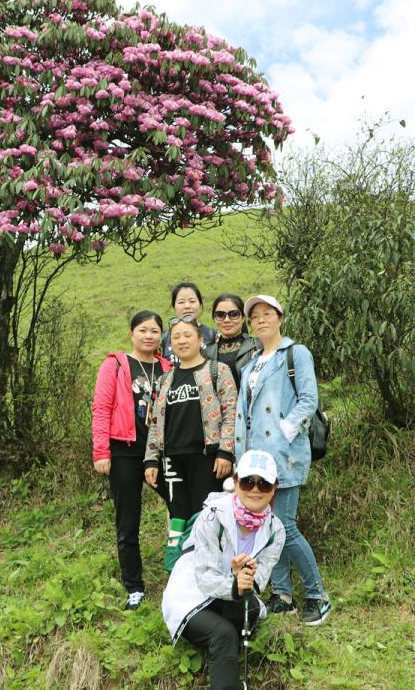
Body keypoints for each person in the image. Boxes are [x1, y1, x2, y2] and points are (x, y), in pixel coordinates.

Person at [234, 294, 332, 626]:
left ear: (280, 317)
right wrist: (240, 461)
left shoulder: (295, 353)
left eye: (267, 314)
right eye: (255, 317)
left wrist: (284, 432)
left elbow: (308, 399)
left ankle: (317, 595)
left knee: (285, 526)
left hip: (284, 457)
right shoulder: (250, 364)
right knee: (265, 526)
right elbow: (242, 417)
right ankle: (282, 594)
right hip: (255, 462)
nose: (260, 320)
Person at [162, 450, 285, 690]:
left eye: (264, 483)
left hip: (233, 594)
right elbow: (205, 578)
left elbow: (259, 580)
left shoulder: (275, 530)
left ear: (274, 487)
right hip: (191, 594)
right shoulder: (212, 517)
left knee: (250, 614)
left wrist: (245, 577)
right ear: (236, 481)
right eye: (248, 481)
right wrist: (234, 583)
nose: (255, 490)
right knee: (224, 634)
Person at [92, 310, 172, 610]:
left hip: (159, 451)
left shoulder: (167, 367)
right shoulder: (115, 365)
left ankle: (183, 575)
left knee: (182, 507)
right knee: (128, 521)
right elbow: (101, 407)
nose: (149, 336)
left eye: (154, 331)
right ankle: (134, 587)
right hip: (124, 450)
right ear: (132, 333)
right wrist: (101, 451)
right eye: (143, 330)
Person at [144, 315, 236, 564]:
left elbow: (231, 414)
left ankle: (213, 571)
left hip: (207, 458)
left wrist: (225, 452)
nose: (182, 341)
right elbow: (155, 423)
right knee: (178, 517)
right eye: (176, 337)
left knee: (206, 516)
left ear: (199, 340)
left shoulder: (218, 371)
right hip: (172, 459)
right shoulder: (165, 380)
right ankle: (180, 570)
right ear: (170, 344)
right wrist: (151, 461)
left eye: (187, 335)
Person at [204, 292, 260, 390]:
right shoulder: (206, 354)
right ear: (214, 318)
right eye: (220, 315)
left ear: (243, 318)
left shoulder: (259, 346)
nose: (226, 320)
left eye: (233, 314)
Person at [161, 282, 216, 363]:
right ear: (174, 306)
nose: (187, 306)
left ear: (200, 304)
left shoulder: (212, 335)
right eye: (181, 302)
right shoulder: (164, 337)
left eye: (192, 301)